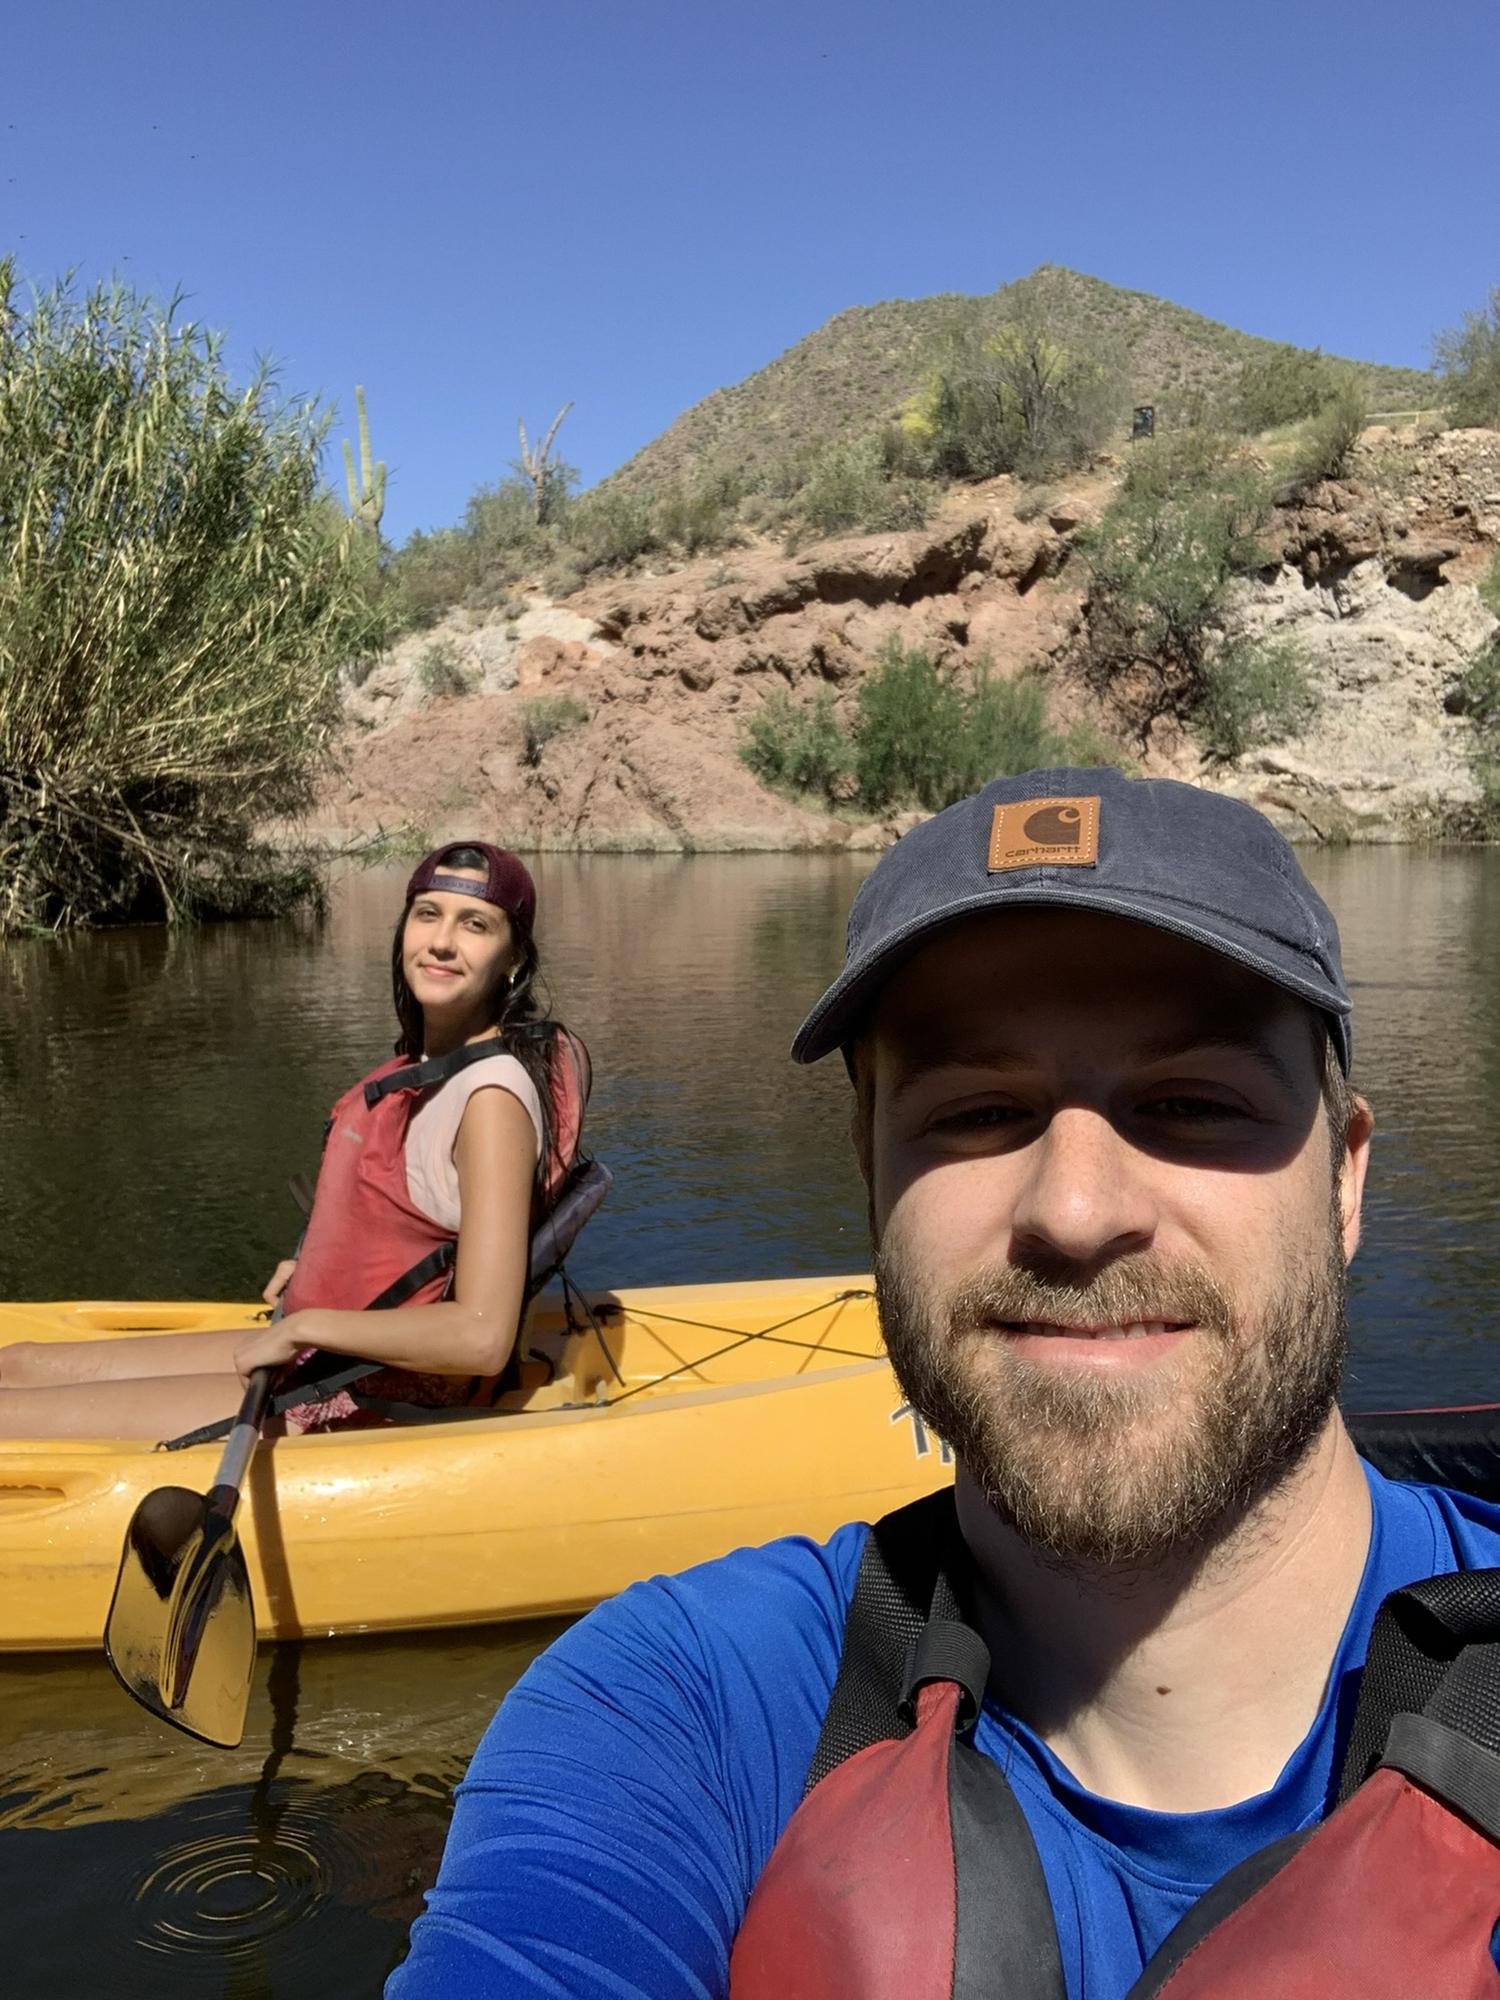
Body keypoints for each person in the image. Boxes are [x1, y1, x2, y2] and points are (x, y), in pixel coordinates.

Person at [387, 770, 1500, 2000]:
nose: (1074, 1212)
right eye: (979, 1112)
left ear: (1344, 1183)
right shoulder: (679, 1705)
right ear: (871, 1175)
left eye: (1193, 1101)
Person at [0, 841, 586, 1442]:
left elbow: (481, 1338)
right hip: (337, 1355)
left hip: (373, 1391)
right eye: (426, 914)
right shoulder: (434, 1060)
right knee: (16, 1365)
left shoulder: (491, 1102)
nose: (441, 941)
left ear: (513, 957)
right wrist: (325, 1270)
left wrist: (309, 1327)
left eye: (475, 924)